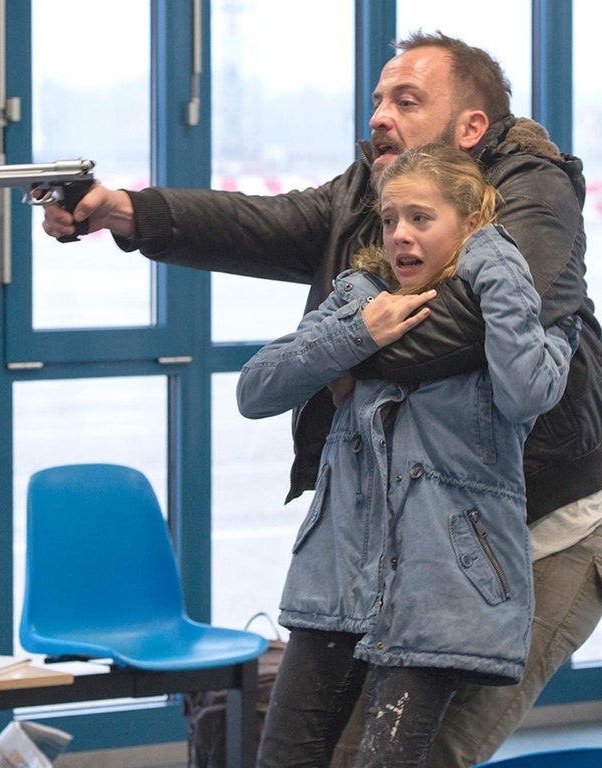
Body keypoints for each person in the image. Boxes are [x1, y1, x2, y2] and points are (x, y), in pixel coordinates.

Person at [42, 31, 602, 767]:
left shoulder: (534, 190)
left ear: (471, 129)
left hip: (541, 530)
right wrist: (125, 210)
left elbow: (470, 330)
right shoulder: (373, 195)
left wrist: (350, 347)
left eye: (407, 100)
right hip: (403, 539)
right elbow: (264, 225)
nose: (378, 115)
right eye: (377, 99)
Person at [235, 143, 577, 767]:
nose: (400, 235)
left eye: (421, 218)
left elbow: (527, 392)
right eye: (390, 219)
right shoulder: (359, 298)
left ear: (471, 223)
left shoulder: (530, 312)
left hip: (441, 586)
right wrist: (357, 334)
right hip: (334, 581)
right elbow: (254, 390)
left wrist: (494, 258)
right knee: (281, 758)